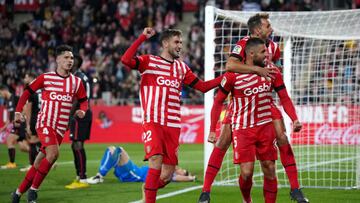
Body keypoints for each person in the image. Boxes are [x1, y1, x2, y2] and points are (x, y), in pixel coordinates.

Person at [198, 13, 309, 203]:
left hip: (264, 100)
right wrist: (258, 70)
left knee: (281, 137)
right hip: (241, 101)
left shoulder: (273, 47)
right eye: (268, 26)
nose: (271, 29)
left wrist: (294, 117)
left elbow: (276, 72)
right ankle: (206, 191)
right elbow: (230, 65)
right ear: (258, 30)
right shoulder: (243, 44)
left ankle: (295, 188)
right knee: (224, 141)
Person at [121, 27, 223, 203]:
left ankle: (148, 188)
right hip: (153, 121)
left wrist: (226, 77)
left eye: (181, 43)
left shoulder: (182, 68)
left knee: (167, 175)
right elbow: (125, 60)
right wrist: (142, 38)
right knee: (155, 160)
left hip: (173, 126)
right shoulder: (149, 62)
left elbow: (203, 87)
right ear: (165, 43)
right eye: (176, 42)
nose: (180, 46)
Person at [11, 45, 88, 203]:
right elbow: (27, 92)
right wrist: (18, 112)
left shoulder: (76, 82)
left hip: (60, 128)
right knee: (53, 154)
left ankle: (18, 193)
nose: (69, 61)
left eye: (71, 58)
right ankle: (33, 191)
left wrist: (83, 111)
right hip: (45, 123)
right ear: (57, 59)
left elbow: (83, 101)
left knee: (39, 163)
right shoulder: (46, 77)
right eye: (66, 57)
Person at [87, 146, 196, 184]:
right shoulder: (166, 169)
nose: (181, 169)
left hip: (133, 174)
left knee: (118, 151)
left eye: (183, 171)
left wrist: (190, 177)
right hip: (134, 170)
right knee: (112, 150)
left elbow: (180, 178)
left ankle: (99, 175)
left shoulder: (168, 175)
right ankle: (102, 173)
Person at [65, 54, 93, 189]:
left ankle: (82, 178)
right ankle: (79, 176)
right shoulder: (78, 77)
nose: (69, 62)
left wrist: (67, 116)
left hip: (80, 114)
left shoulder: (79, 78)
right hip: (81, 113)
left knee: (77, 145)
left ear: (76, 63)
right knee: (75, 145)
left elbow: (78, 100)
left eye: (71, 60)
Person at [0, 85, 29, 169]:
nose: (1, 95)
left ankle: (12, 163)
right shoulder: (7, 101)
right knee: (22, 147)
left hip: (20, 124)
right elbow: (10, 118)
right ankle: (39, 157)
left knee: (9, 140)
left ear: (4, 90)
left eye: (0, 93)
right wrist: (4, 127)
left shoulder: (15, 98)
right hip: (16, 124)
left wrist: (20, 118)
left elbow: (25, 108)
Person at [21, 73, 42, 172]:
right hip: (43, 119)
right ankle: (48, 162)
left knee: (32, 141)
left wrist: (28, 124)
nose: (25, 79)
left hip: (34, 119)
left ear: (32, 78)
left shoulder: (31, 90)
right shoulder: (42, 89)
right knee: (41, 141)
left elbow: (28, 109)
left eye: (26, 77)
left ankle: (32, 165)